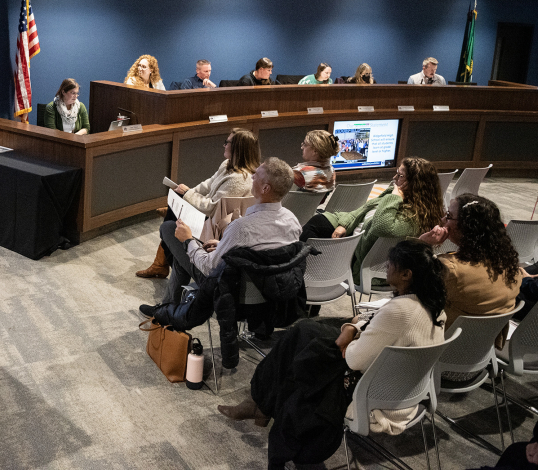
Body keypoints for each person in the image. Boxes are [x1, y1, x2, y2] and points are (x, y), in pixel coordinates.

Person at [217, 240, 447, 469]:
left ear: (407, 274)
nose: (387, 266)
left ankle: (261, 405)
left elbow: (355, 358)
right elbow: (371, 323)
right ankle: (260, 404)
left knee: (305, 361)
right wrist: (352, 328)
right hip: (399, 387)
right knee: (304, 331)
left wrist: (351, 335)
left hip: (372, 393)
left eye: (391, 263)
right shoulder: (433, 306)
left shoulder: (401, 310)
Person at [139, 157, 301, 311]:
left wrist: (188, 240)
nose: (251, 176)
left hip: (231, 291)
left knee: (169, 229)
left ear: (265, 188)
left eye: (256, 175)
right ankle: (169, 309)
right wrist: (224, 246)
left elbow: (209, 269)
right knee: (183, 253)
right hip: (269, 296)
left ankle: (168, 309)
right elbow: (262, 252)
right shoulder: (292, 221)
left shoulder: (241, 227)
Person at [136, 129, 260, 278]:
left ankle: (160, 264)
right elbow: (208, 184)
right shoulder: (228, 164)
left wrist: (188, 195)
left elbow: (211, 209)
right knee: (177, 196)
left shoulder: (239, 179)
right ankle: (161, 261)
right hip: (209, 216)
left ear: (237, 148)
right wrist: (186, 194)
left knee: (170, 224)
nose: (224, 145)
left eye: (227, 142)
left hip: (214, 225)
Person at [301, 156, 444, 282]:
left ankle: (307, 286)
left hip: (358, 251)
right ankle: (307, 283)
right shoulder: (396, 193)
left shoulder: (414, 217)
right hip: (352, 228)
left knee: (307, 243)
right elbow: (365, 208)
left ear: (415, 184)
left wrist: (395, 196)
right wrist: (345, 224)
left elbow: (382, 226)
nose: (394, 179)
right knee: (314, 226)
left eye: (400, 176)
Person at [419, 193, 521, 347]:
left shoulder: (451, 270)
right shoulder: (509, 266)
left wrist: (422, 244)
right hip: (481, 354)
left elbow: (404, 281)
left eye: (448, 216)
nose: (442, 221)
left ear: (467, 226)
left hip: (442, 353)